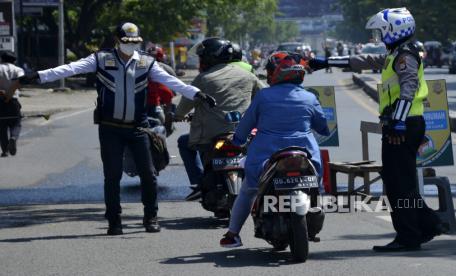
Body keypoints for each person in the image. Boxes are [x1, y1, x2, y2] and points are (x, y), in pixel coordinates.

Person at [21, 22, 215, 236]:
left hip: (139, 128)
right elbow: (69, 69)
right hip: (110, 129)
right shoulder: (101, 60)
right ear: (117, 41)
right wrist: (38, 76)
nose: (130, 46)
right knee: (112, 177)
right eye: (126, 42)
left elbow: (173, 82)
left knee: (149, 175)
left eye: (134, 42)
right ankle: (114, 221)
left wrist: (197, 94)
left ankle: (151, 217)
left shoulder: (146, 63)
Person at [309, 7, 447, 252]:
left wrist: (398, 122)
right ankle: (427, 225)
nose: (379, 37)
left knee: (398, 184)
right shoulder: (397, 53)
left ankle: (410, 236)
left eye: (381, 32)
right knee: (399, 181)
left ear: (393, 30)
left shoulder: (405, 56)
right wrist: (326, 62)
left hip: (403, 125)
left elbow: (409, 88)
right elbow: (366, 60)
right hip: (403, 123)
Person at [220, 51, 329, 247]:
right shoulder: (309, 97)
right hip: (306, 154)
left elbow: (245, 126)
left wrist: (237, 141)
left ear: (275, 73)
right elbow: (323, 127)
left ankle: (233, 234)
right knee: (316, 188)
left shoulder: (263, 96)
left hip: (265, 156)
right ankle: (315, 214)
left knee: (248, 190)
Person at [176, 37, 263, 201]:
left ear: (209, 57)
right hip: (243, 134)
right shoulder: (247, 75)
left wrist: (177, 116)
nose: (200, 61)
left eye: (202, 57)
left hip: (211, 136)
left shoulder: (203, 78)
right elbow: (265, 97)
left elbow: (182, 108)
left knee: (183, 142)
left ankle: (198, 183)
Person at [0, 51, 24, 157]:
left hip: (0, 101)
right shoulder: (18, 69)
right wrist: (11, 91)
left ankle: (4, 150)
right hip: (13, 101)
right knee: (16, 123)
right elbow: (21, 83)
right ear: (14, 61)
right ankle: (13, 137)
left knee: (1, 126)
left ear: (1, 59)